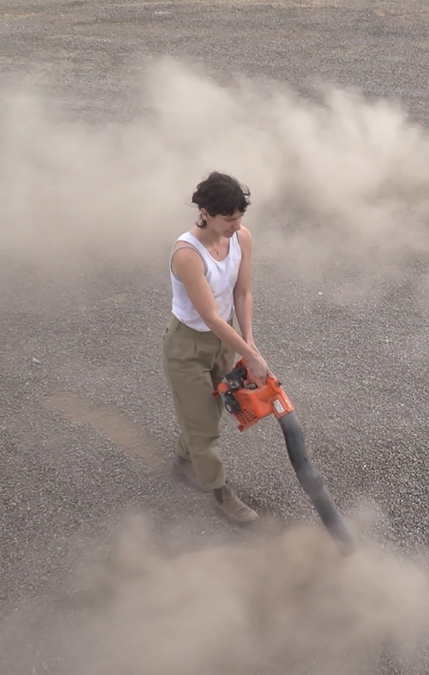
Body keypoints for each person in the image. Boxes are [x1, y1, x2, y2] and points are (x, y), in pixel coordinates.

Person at [162, 171, 272, 524]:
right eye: (229, 219)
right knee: (205, 429)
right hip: (187, 346)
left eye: (240, 217)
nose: (235, 225)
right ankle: (221, 494)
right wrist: (252, 357)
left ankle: (183, 460)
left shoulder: (241, 238)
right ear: (206, 213)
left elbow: (241, 293)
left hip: (223, 343)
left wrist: (249, 344)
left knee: (207, 413)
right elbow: (210, 316)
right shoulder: (187, 255)